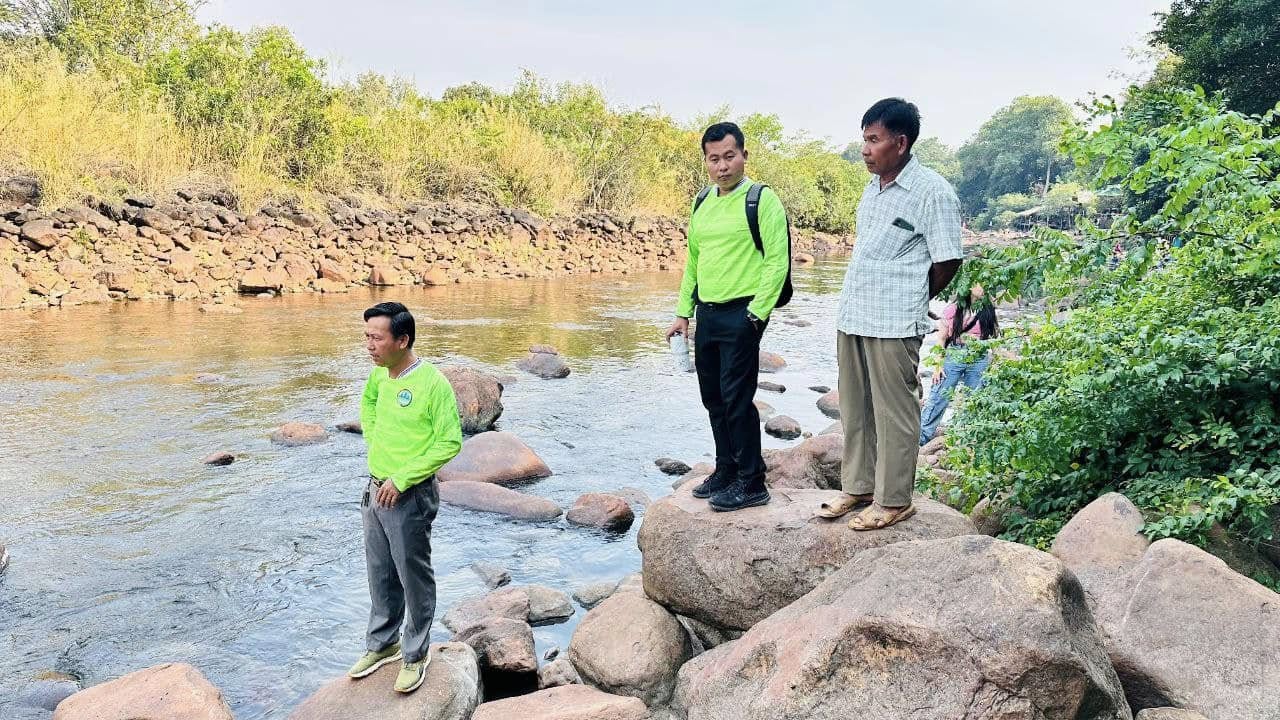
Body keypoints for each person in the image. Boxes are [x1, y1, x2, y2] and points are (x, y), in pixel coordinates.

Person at [815, 98, 963, 531]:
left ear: (900, 143)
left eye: (873, 140)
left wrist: (913, 296)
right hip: (854, 313)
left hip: (894, 320)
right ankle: (859, 487)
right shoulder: (873, 187)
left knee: (895, 410)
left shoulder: (932, 192)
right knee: (855, 407)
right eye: (864, 139)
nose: (865, 149)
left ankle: (895, 500)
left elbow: (948, 260)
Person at [664, 122, 791, 512]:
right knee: (713, 397)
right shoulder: (702, 201)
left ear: (744, 156)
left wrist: (755, 315)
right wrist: (683, 313)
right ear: (706, 161)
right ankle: (726, 469)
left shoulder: (761, 200)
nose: (722, 166)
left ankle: (752, 482)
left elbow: (777, 262)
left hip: (743, 312)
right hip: (708, 312)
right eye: (714, 158)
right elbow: (694, 261)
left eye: (729, 157)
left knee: (737, 399)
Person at [347, 301, 462, 693]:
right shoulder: (379, 375)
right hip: (375, 488)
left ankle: (416, 653)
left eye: (376, 338)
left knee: (413, 576)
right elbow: (368, 404)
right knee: (380, 571)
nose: (369, 345)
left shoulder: (432, 383)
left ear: (402, 340)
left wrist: (401, 479)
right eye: (367, 336)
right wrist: (375, 440)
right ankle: (383, 644)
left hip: (409, 494)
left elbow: (450, 442)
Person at [918, 283, 999, 445]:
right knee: (939, 396)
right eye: (979, 284)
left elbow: (994, 336)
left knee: (975, 399)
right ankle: (921, 439)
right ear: (969, 287)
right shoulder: (953, 309)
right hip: (955, 353)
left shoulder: (987, 310)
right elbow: (941, 339)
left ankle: (968, 441)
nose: (983, 287)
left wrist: (996, 361)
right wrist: (938, 366)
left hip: (979, 356)